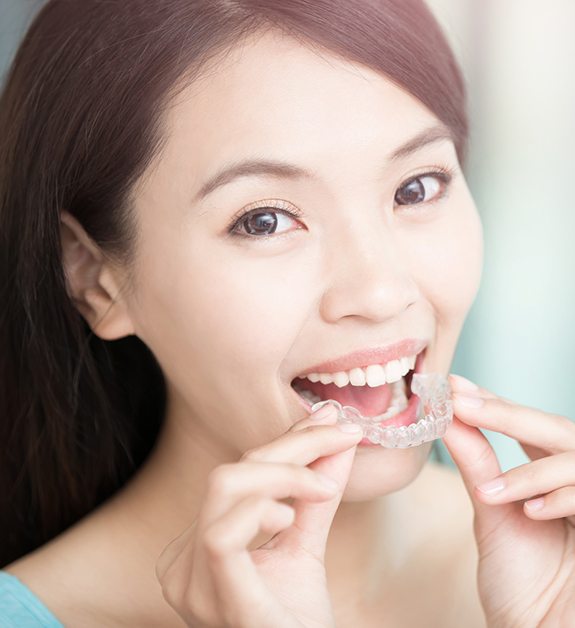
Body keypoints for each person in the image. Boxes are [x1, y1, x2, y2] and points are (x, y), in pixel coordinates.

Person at [1, 0, 575, 626]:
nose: (381, 292)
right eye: (264, 221)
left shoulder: (558, 577)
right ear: (95, 280)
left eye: (417, 187)